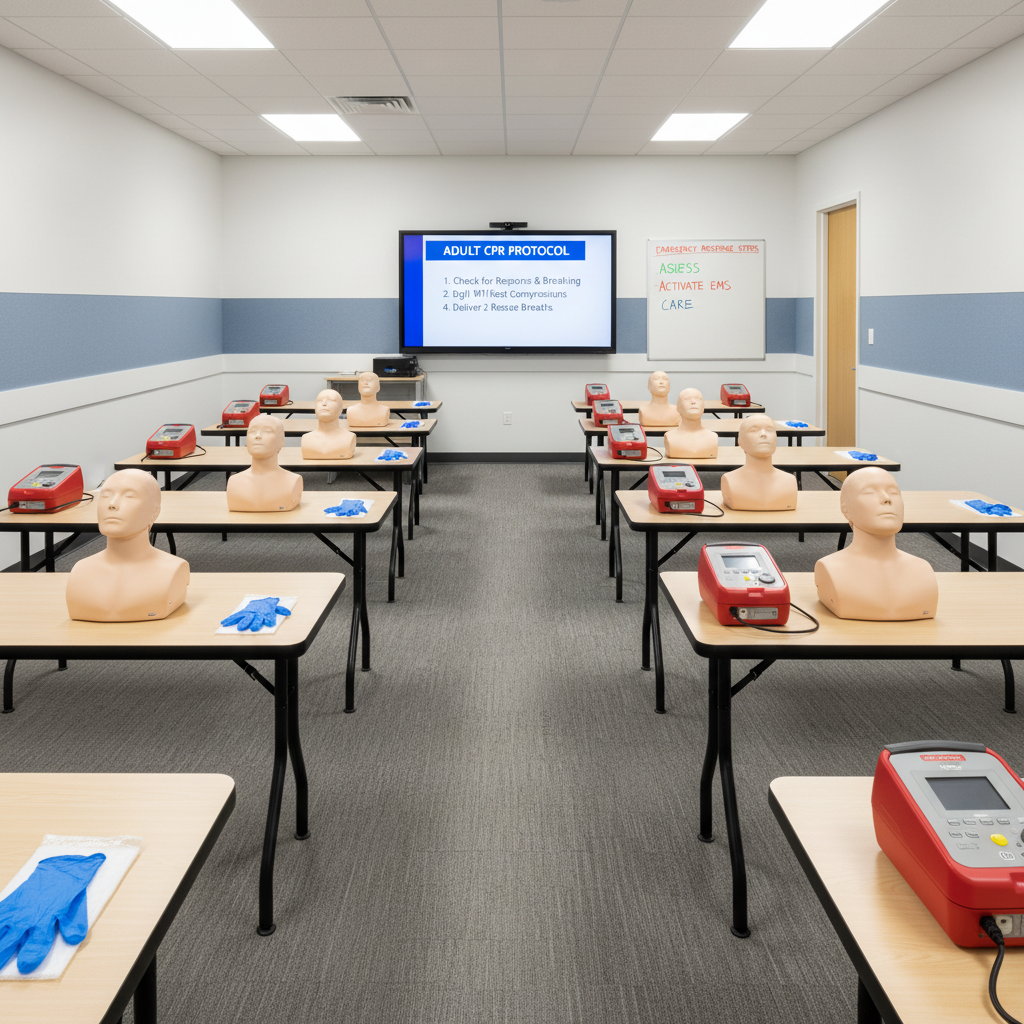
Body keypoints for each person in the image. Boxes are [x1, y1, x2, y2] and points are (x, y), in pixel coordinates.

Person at [66, 469, 189, 621]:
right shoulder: (80, 571)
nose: (112, 504)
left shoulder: (173, 569)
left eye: (129, 496)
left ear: (154, 512)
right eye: (105, 496)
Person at [815, 467, 937, 620]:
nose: (887, 498)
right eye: (869, 493)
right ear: (845, 510)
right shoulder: (830, 569)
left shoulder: (923, 570)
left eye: (894, 492)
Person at [226, 414, 303, 512]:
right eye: (252, 431)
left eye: (267, 431)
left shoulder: (293, 481)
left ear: (282, 441)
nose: (257, 436)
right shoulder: (234, 482)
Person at [720, 414, 797, 510]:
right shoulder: (730, 480)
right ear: (740, 441)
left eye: (770, 430)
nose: (763, 434)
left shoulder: (789, 481)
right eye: (754, 430)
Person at [301, 389, 357, 459]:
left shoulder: (348, 438)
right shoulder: (307, 439)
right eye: (320, 400)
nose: (324, 403)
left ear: (340, 409)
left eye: (331, 400)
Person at [663, 388, 718, 459]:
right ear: (678, 408)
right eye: (687, 399)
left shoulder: (712, 437)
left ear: (703, 407)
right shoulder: (670, 437)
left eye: (698, 399)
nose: (693, 402)